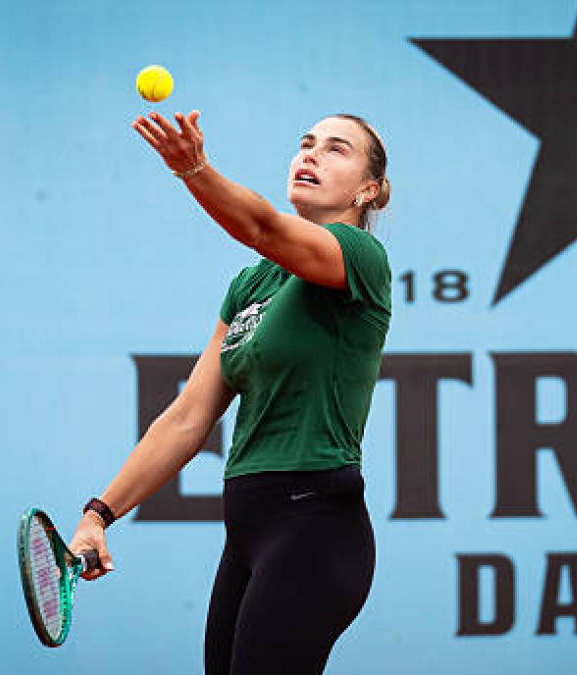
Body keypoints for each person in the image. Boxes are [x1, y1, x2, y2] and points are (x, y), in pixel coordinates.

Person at [68, 109, 392, 675]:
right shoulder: (251, 284)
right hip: (247, 534)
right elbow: (188, 419)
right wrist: (99, 513)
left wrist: (194, 169)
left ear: (368, 189)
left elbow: (263, 226)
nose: (311, 154)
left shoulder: (359, 256)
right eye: (306, 143)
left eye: (336, 149)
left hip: (316, 528)